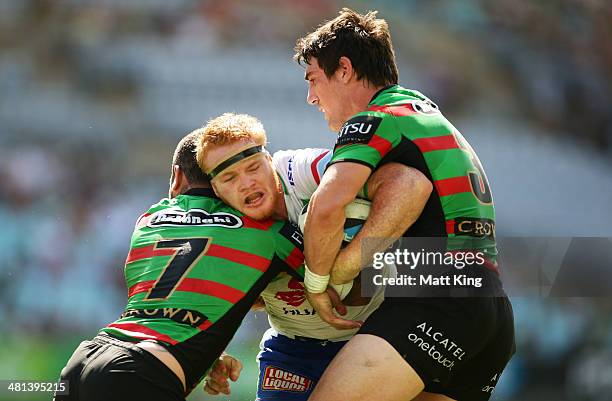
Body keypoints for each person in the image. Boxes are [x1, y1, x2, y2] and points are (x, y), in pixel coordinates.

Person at [294, 8, 515, 401]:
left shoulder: (376, 119)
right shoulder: (423, 113)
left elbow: (327, 206)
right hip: (490, 309)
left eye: (313, 79)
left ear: (343, 69)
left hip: (436, 298)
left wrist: (318, 284)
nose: (311, 96)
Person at [54, 130, 305, 401]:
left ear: (177, 175)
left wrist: (210, 355)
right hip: (144, 371)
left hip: (85, 359)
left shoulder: (150, 218)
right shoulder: (269, 233)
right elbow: (331, 278)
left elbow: (174, 300)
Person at [196, 112, 431, 400]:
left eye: (253, 167)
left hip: (375, 336)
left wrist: (344, 267)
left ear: (271, 162)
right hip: (292, 350)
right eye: (229, 178)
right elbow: (195, 296)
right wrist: (212, 355)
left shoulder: (303, 171)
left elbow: (407, 182)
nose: (246, 183)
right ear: (216, 190)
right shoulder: (221, 225)